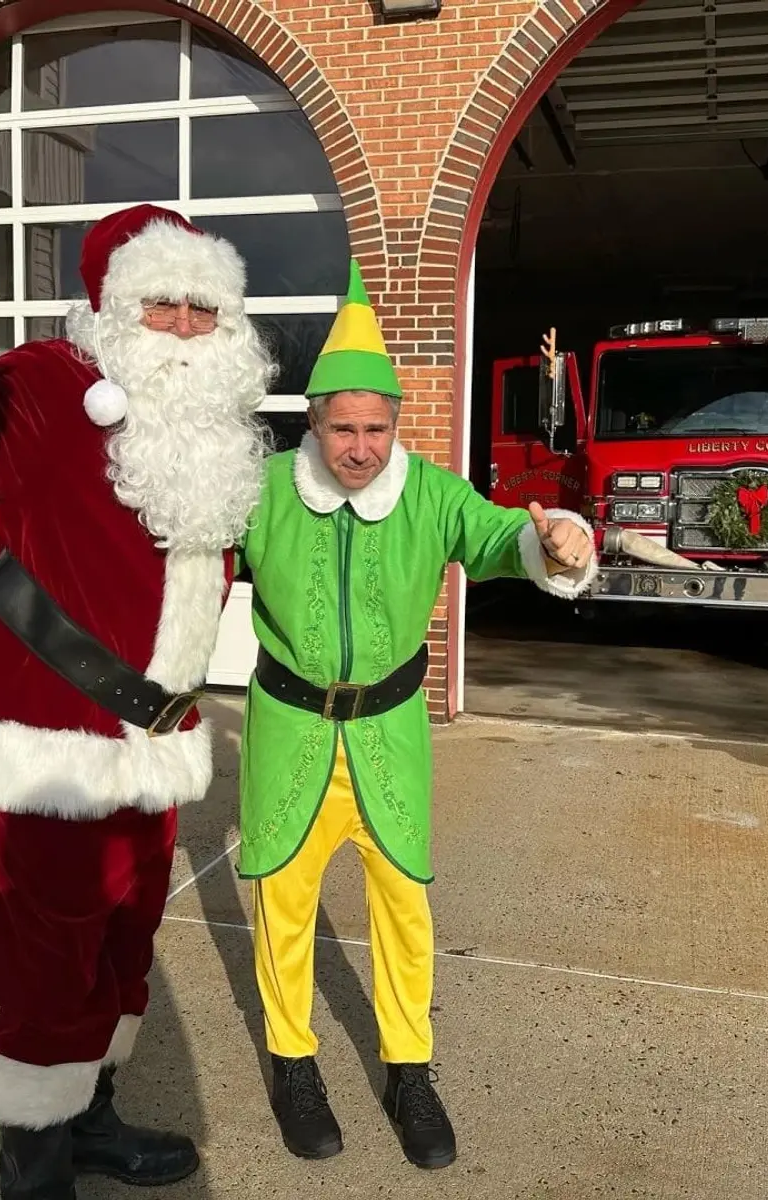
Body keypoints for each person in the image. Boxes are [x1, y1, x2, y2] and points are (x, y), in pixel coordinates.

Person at [0, 157, 274, 1199]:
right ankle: (29, 1163)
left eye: (202, 309)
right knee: (45, 958)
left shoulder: (215, 439)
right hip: (50, 743)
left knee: (123, 944)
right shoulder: (46, 387)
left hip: (154, 749)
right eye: (158, 303)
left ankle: (92, 1118)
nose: (182, 328)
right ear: (109, 309)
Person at [235, 261, 597, 1169]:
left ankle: (410, 1068)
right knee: (284, 901)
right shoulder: (263, 489)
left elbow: (500, 536)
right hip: (287, 731)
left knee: (404, 908)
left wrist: (554, 539)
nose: (360, 448)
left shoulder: (430, 492)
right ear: (312, 422)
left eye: (377, 429)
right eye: (344, 428)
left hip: (391, 736)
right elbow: (176, 549)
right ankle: (292, 1059)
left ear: (397, 426)